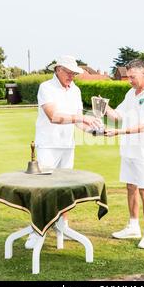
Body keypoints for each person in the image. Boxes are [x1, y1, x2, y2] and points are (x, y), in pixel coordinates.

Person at [25, 55, 101, 249]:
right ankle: (36, 231)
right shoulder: (46, 88)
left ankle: (62, 226)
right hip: (48, 145)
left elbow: (77, 121)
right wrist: (83, 118)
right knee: (42, 190)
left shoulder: (75, 90)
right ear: (57, 69)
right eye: (68, 72)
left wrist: (93, 129)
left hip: (68, 146)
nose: (71, 76)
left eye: (74, 73)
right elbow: (54, 116)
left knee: (65, 188)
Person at [103, 59, 144, 249]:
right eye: (128, 76)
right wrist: (103, 107)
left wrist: (118, 132)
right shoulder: (130, 93)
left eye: (132, 77)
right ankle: (133, 226)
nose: (129, 80)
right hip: (128, 149)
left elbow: (143, 126)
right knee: (130, 187)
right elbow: (118, 116)